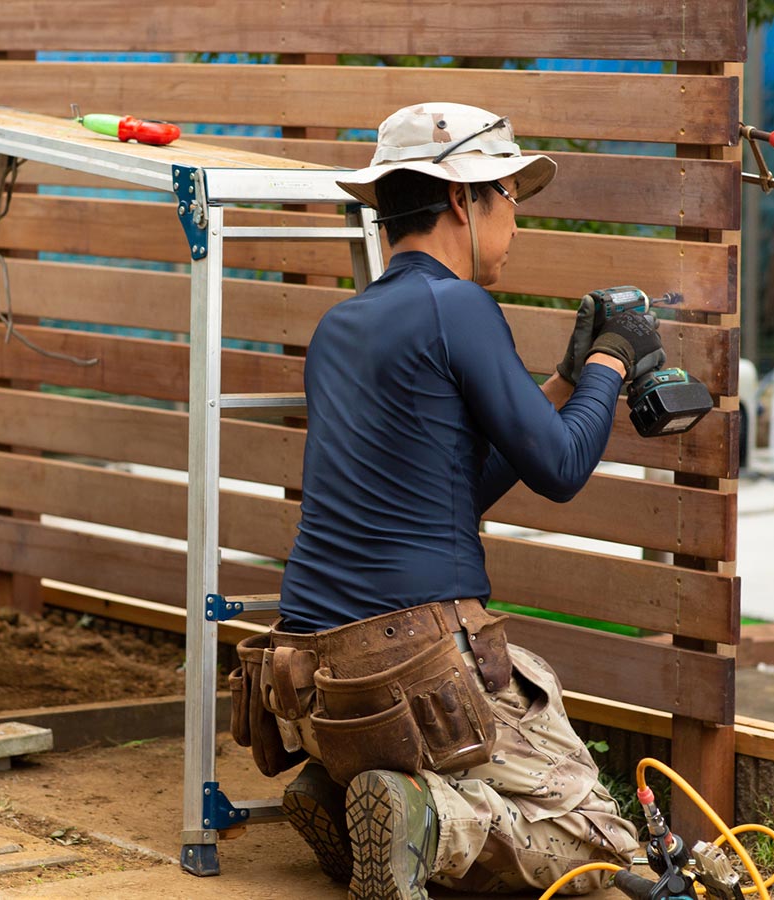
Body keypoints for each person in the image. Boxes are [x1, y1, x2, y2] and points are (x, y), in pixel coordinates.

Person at [258, 103, 662, 898]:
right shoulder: (459, 306)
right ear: (460, 199)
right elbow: (560, 468)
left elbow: (458, 490)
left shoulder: (340, 327)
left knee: (504, 718)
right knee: (603, 851)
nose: (516, 220)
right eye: (508, 196)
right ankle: (428, 818)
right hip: (413, 666)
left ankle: (341, 792)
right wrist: (613, 363)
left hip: (311, 680)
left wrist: (563, 381)